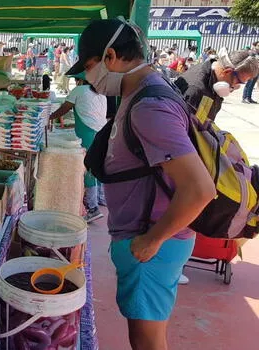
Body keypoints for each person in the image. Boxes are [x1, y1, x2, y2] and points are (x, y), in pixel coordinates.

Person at [66, 18, 216, 350]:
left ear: (110, 57)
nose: (89, 77)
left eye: (90, 67)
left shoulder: (150, 106)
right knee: (144, 332)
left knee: (146, 339)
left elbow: (200, 189)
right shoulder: (142, 91)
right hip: (147, 238)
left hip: (152, 243)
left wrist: (151, 240)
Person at [48, 77, 107, 222]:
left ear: (80, 80)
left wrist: (48, 117)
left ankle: (93, 208)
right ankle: (101, 198)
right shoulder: (101, 93)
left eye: (76, 79)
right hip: (101, 132)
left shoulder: (79, 90)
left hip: (88, 133)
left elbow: (64, 108)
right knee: (98, 165)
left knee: (87, 167)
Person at [174, 47, 259, 120]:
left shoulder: (212, 74)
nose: (235, 87)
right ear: (227, 71)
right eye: (238, 81)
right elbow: (188, 131)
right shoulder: (196, 90)